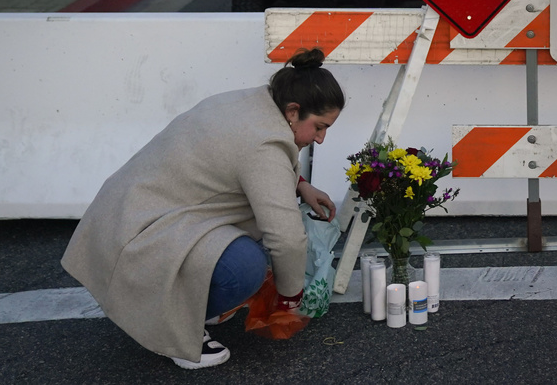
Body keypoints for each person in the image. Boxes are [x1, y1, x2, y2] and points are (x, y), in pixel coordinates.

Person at [61, 48, 344, 370]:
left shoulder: (254, 102)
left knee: (252, 237)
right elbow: (287, 237)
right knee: (246, 265)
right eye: (320, 127)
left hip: (126, 213)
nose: (320, 139)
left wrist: (300, 185)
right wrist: (289, 297)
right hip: (142, 234)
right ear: (293, 112)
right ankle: (176, 330)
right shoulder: (264, 143)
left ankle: (194, 301)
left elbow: (241, 160)